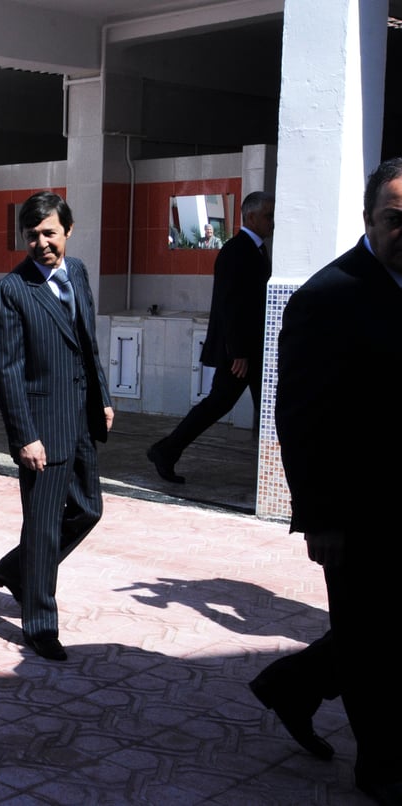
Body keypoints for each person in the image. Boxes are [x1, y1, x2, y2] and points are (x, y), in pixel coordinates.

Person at [265, 157, 402, 804]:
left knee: (377, 629)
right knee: (373, 644)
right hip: (355, 509)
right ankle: (379, 766)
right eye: (393, 219)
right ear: (366, 219)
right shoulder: (327, 296)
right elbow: (298, 417)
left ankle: (291, 684)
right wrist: (318, 518)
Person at [0, 191, 114, 662]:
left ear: (68, 231)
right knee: (41, 526)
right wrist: (24, 436)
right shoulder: (10, 292)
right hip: (41, 427)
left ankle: (19, 570)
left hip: (79, 416)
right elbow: (8, 372)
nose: (41, 243)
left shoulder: (76, 272)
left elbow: (87, 341)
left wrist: (102, 396)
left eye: (49, 233)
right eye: (32, 235)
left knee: (88, 509)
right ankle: (39, 624)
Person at [147, 192, 274, 484]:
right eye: (268, 215)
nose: (272, 222)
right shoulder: (236, 250)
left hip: (253, 349)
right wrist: (239, 352)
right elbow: (230, 305)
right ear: (251, 217)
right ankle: (166, 450)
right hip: (241, 353)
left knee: (253, 407)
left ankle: (167, 450)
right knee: (220, 404)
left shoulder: (256, 250)